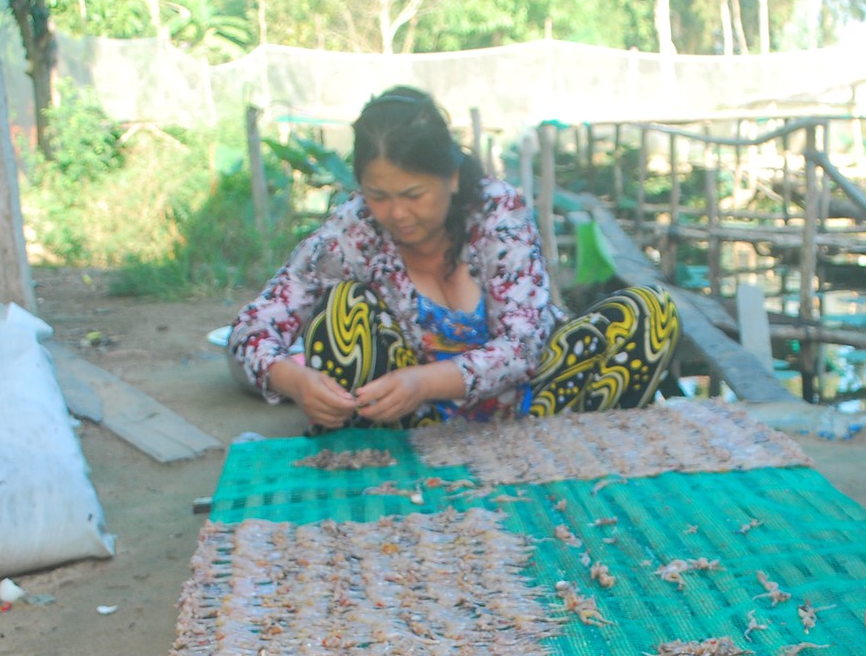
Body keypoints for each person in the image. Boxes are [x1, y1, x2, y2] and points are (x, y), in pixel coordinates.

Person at [229, 88, 678, 427]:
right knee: (342, 314)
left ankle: (575, 462)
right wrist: (293, 380)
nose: (397, 213)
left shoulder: (499, 213)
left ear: (454, 178)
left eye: (414, 194)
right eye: (377, 194)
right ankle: (374, 476)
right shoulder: (352, 232)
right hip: (412, 427)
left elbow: (523, 347)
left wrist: (424, 381)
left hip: (535, 411)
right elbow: (252, 328)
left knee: (650, 312)